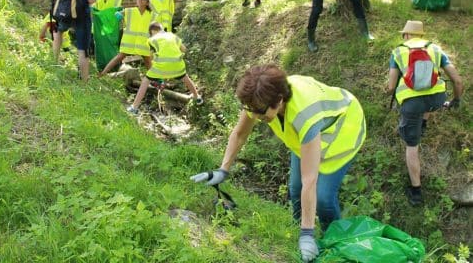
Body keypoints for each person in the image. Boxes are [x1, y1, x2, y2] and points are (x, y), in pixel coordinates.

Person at [191, 64, 366, 263]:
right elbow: (240, 134)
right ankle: (297, 232)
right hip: (304, 137)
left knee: (324, 197)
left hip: (342, 132)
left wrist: (308, 234)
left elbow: (310, 180)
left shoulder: (304, 115)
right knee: (294, 188)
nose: (256, 117)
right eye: (253, 112)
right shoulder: (258, 100)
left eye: (261, 114)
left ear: (279, 101)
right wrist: (223, 169)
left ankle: (334, 242)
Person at [387, 20, 463, 206]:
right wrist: (455, 100)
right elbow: (457, 80)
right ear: (421, 35)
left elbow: (390, 87)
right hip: (437, 99)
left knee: (412, 146)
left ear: (405, 35)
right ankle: (424, 123)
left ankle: (416, 192)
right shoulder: (435, 49)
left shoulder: (398, 52)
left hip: (412, 105)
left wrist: (389, 90)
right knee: (428, 104)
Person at [127, 22, 202, 114]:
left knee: (146, 81)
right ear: (161, 29)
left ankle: (134, 107)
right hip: (177, 64)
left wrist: (155, 72)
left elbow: (150, 57)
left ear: (152, 31)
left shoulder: (151, 40)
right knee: (185, 77)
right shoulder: (173, 36)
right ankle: (197, 97)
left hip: (161, 67)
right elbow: (184, 49)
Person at [53, 0, 99, 81]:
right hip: (81, 15)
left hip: (64, 11)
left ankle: (53, 62)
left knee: (59, 33)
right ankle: (84, 80)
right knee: (82, 48)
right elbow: (90, 0)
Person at [98, 0, 153, 76]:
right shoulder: (130, 11)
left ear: (147, 2)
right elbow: (120, 13)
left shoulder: (151, 14)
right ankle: (103, 73)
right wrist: (118, 14)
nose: (140, 0)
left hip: (142, 42)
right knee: (119, 57)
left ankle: (157, 80)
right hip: (129, 41)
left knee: (148, 61)